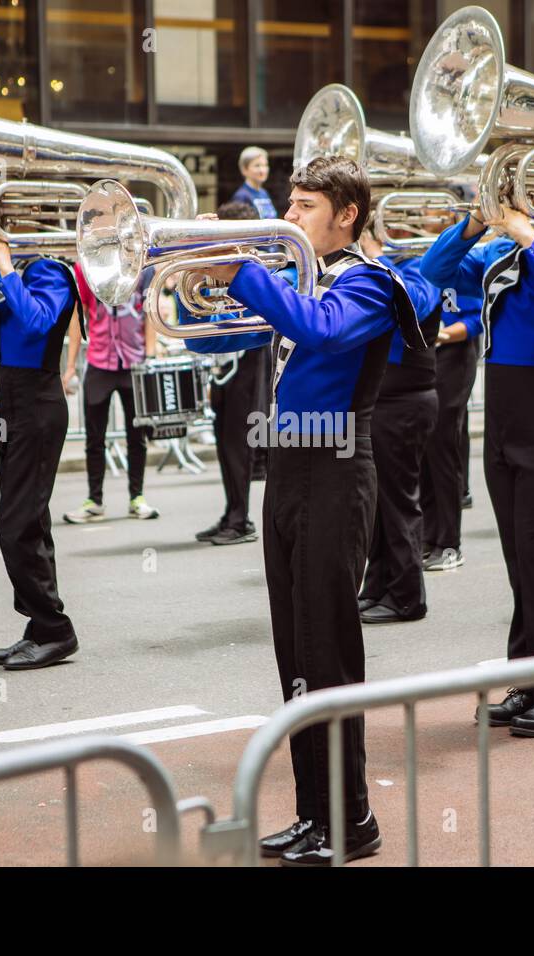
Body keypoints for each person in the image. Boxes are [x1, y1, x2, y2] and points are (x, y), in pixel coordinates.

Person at [196, 155, 426, 865]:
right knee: (295, 650)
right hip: (291, 469)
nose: (287, 216)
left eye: (301, 206)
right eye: (290, 204)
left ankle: (351, 821)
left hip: (336, 470)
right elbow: (248, 331)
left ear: (346, 215)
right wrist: (206, 278)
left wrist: (241, 270)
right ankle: (312, 813)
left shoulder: (370, 284)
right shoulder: (307, 276)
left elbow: (322, 331)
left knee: (329, 652)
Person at [421, 183, 534, 739]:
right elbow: (434, 270)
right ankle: (531, 681)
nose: (512, 203)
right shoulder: (493, 255)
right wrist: (477, 223)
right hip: (506, 412)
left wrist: (529, 236)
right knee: (521, 559)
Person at [0, 240, 82, 670]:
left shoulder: (52, 270)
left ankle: (56, 628)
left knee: (16, 523)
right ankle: (41, 624)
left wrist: (5, 267)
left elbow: (39, 322)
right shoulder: (19, 270)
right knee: (32, 521)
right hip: (12, 401)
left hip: (37, 401)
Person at [357, 228, 442, 624]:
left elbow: (417, 303)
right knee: (378, 505)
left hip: (406, 401)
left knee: (399, 502)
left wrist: (377, 257)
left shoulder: (419, 268)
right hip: (382, 400)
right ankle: (378, 585)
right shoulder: (382, 270)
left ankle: (408, 596)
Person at [191, 201, 268, 546]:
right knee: (223, 438)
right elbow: (198, 318)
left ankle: (241, 520)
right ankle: (231, 512)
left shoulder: (258, 267)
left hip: (249, 360)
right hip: (223, 363)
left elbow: (249, 321)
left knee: (239, 442)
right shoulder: (223, 268)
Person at [61, 261, 160, 523]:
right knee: (95, 438)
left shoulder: (144, 267)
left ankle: (136, 497)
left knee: (136, 435)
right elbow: (77, 316)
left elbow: (150, 313)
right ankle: (95, 500)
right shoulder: (86, 268)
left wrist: (150, 356)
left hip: (134, 360)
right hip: (99, 360)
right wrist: (70, 366)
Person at [420, 281, 483, 572]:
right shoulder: (410, 263)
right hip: (422, 357)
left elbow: (474, 320)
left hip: (452, 357)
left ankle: (449, 543)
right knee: (421, 452)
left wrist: (440, 335)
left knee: (443, 447)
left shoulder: (457, 268)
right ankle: (427, 536)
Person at [229, 146, 277, 219]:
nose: (262, 170)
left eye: (265, 165)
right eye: (257, 166)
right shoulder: (241, 196)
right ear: (244, 169)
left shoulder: (264, 193)